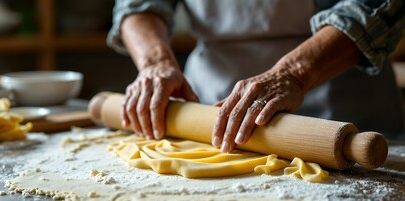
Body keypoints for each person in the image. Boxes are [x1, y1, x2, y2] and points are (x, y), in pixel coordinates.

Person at [107, 0, 405, 153]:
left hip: (344, 113)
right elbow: (137, 5)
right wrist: (155, 62)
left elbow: (374, 5)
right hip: (209, 116)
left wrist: (293, 73)